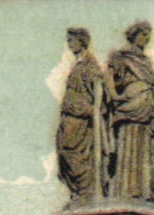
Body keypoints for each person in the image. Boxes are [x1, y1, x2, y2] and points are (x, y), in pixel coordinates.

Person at [105, 20, 154, 203]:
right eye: (142, 34)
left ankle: (145, 191)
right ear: (133, 35)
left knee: (146, 148)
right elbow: (109, 78)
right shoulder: (122, 56)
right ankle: (127, 191)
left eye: (147, 36)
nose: (145, 39)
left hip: (149, 107)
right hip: (131, 103)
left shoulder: (147, 62)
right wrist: (115, 96)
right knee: (129, 142)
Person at [56, 27, 108, 202]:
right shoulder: (77, 65)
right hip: (68, 116)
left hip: (80, 118)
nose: (69, 43)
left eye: (72, 40)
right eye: (68, 40)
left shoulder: (90, 64)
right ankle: (78, 191)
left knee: (73, 152)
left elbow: (98, 87)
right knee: (64, 152)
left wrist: (95, 111)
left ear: (81, 41)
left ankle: (85, 190)